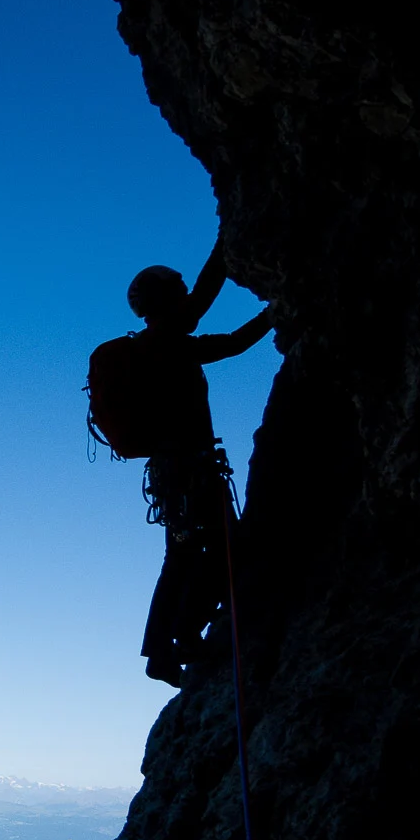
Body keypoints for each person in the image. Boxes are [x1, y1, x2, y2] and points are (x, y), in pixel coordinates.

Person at [126, 237, 273, 686]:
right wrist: (275, 314)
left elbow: (205, 298)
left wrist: (225, 246)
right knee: (220, 548)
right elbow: (230, 342)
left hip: (177, 473)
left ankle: (166, 647)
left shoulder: (155, 343)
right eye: (180, 291)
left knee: (188, 553)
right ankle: (180, 639)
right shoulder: (167, 342)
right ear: (166, 301)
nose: (188, 296)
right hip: (190, 472)